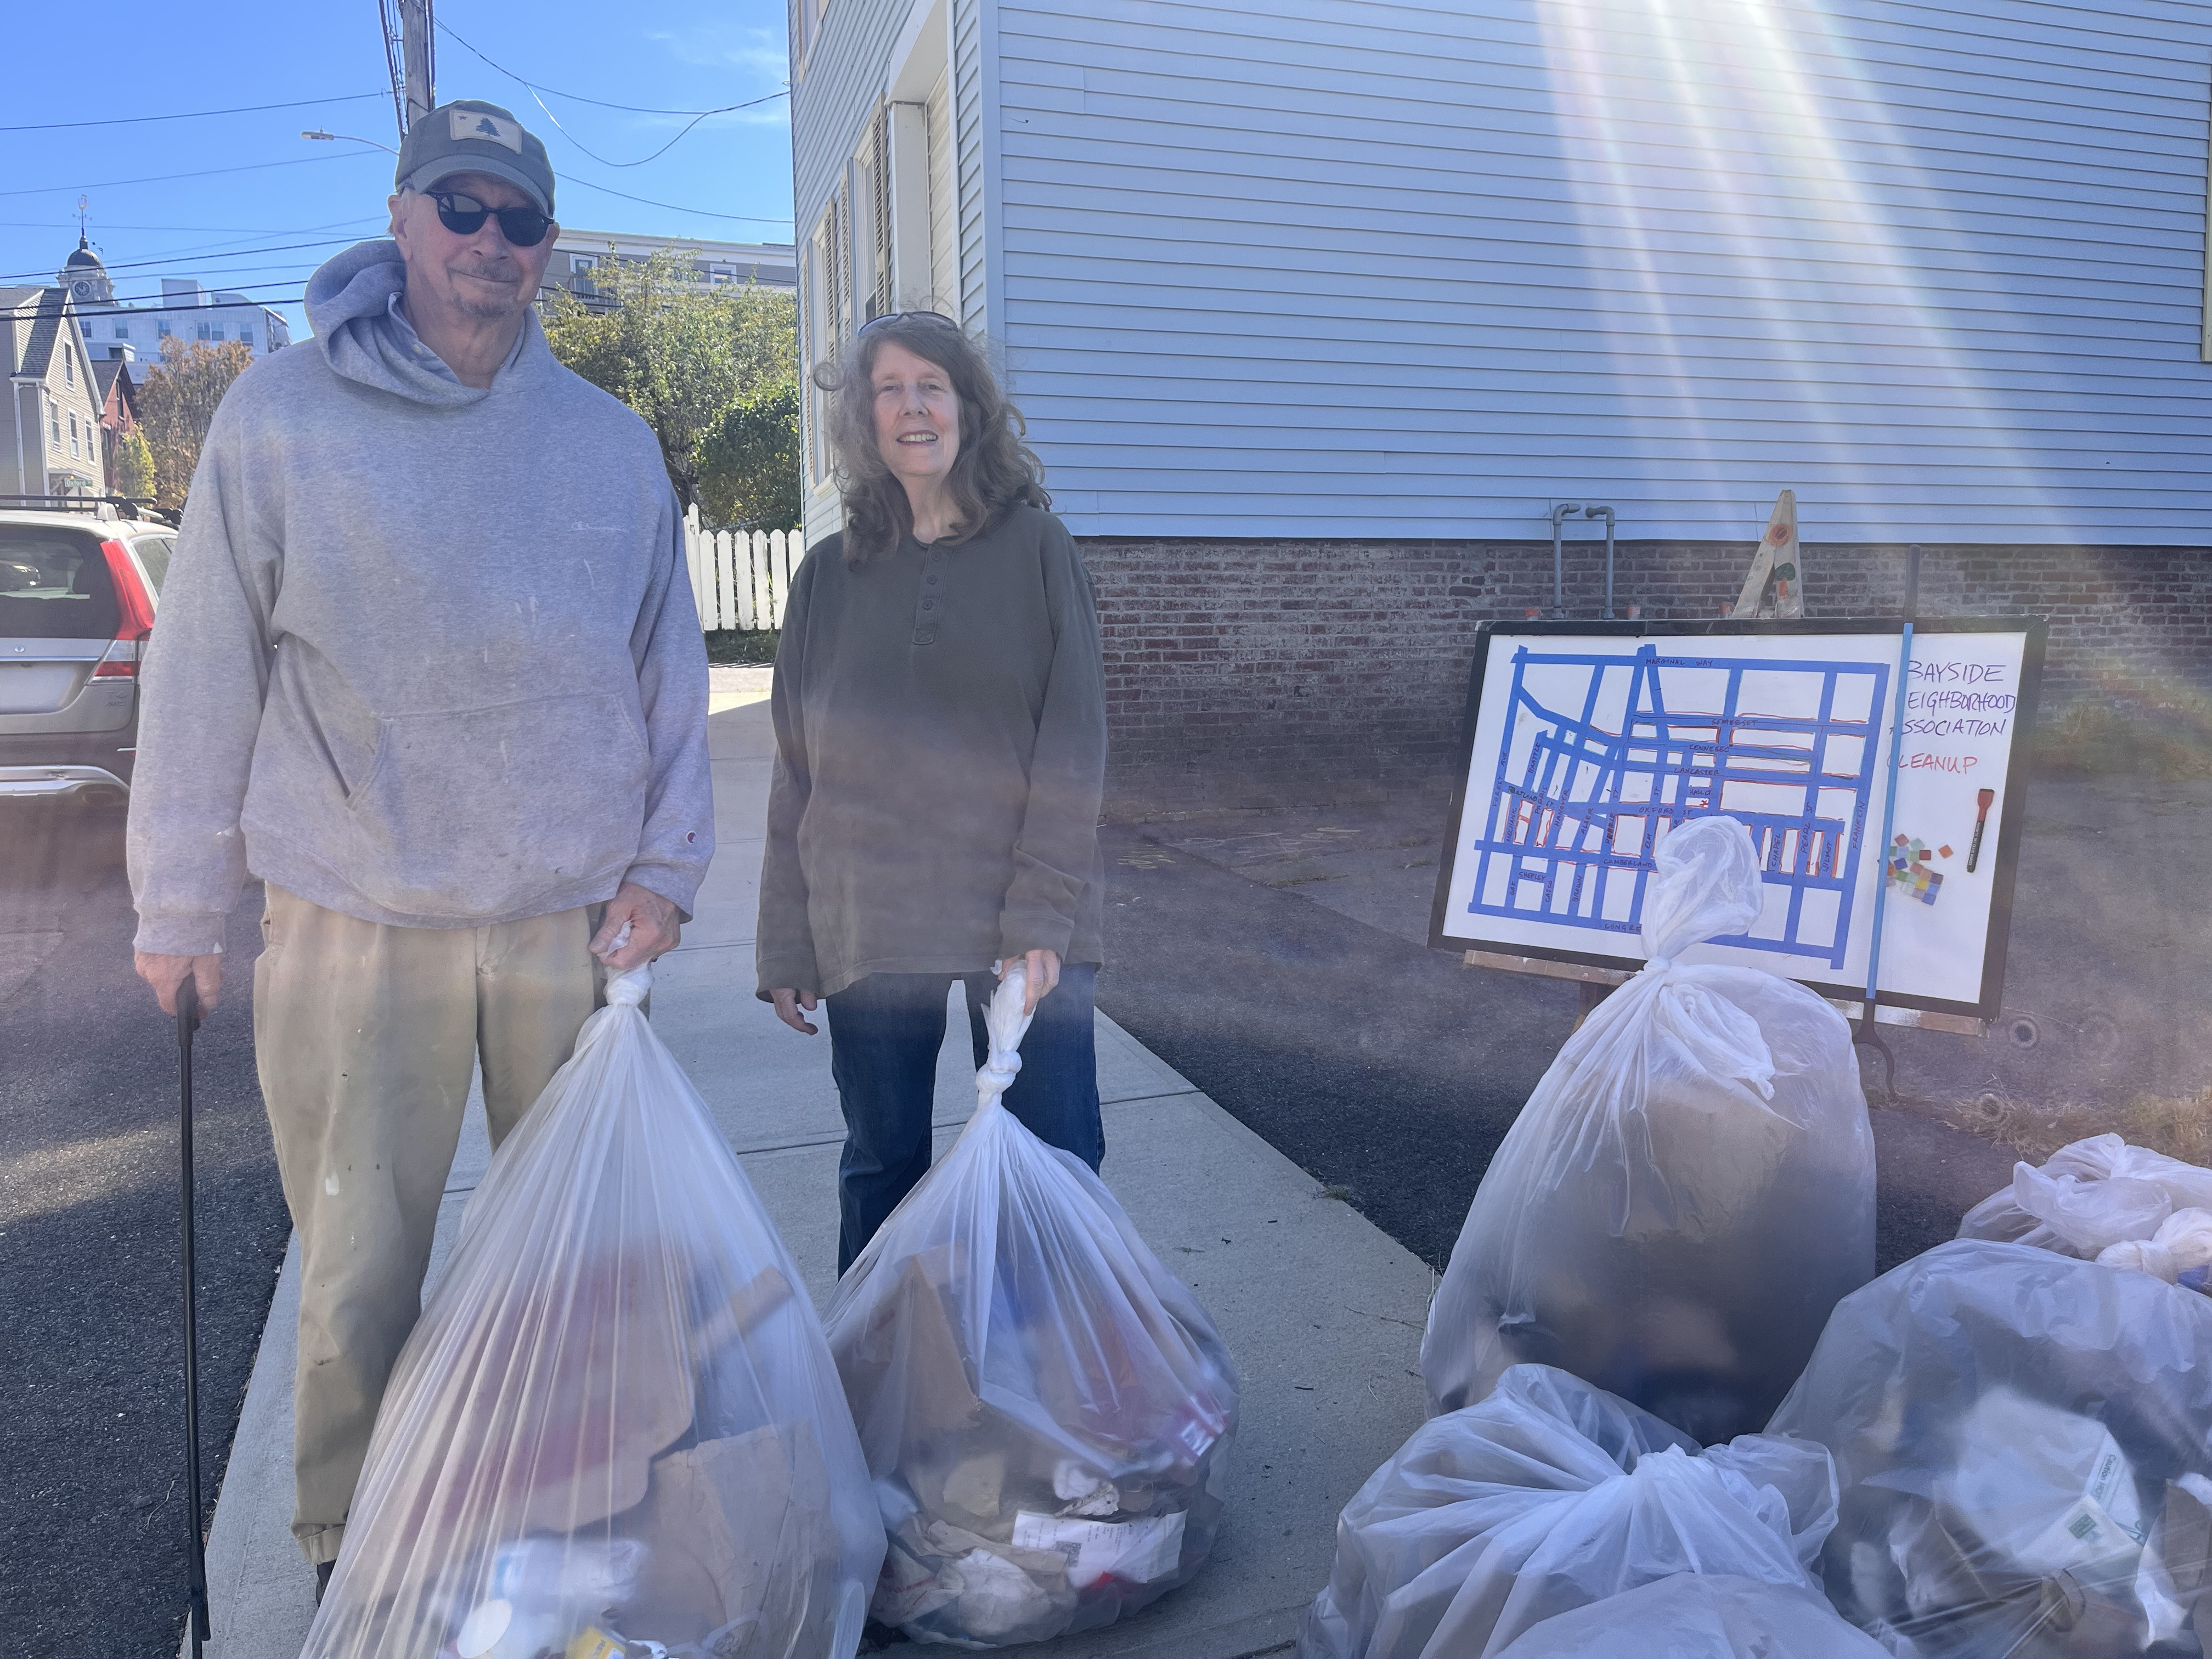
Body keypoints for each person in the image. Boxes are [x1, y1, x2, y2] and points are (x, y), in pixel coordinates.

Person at [125, 100, 713, 1592]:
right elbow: (203, 665)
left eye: (519, 219)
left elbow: (669, 668)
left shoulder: (610, 443)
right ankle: (356, 1549)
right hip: (353, 910)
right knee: (357, 1267)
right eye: (460, 207)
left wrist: (666, 870)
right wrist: (178, 903)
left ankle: (575, 1527)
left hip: (569, 919)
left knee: (585, 1256)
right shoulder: (279, 415)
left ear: (546, 247)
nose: (488, 240)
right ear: (400, 219)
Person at [758, 311, 1108, 1273]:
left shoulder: (1039, 550)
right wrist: (787, 939)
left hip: (1022, 924)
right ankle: (882, 1353)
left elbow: (1074, 744)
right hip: (871, 919)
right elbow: (798, 771)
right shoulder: (825, 578)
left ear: (969, 410)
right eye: (888, 389)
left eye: (932, 387)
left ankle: (1057, 1358)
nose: (912, 408)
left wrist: (1040, 913)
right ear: (863, 420)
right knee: (882, 1167)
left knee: (1055, 1162)